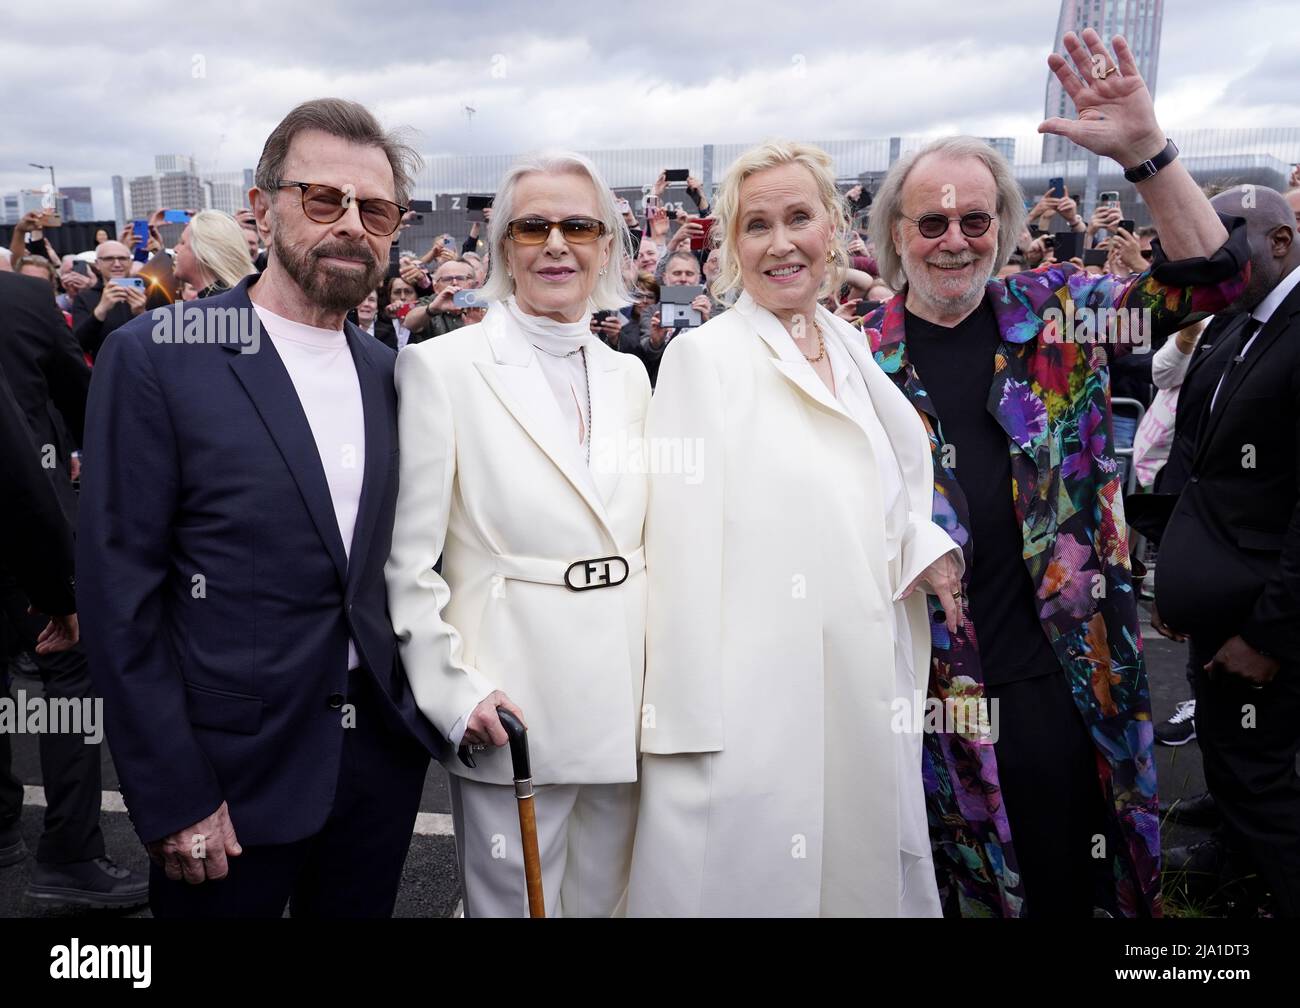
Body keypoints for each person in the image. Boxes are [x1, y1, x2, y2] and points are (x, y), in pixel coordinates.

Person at [858, 29, 1249, 918]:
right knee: (949, 888)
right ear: (894, 235)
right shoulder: (852, 357)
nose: (954, 240)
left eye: (975, 220)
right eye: (931, 222)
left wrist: (1147, 151)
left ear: (1003, 226)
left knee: (1071, 877)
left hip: (1062, 670)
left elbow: (1211, 281)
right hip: (922, 679)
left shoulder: (1061, 316)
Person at [78, 97, 442, 918]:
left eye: (375, 209)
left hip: (377, 772)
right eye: (323, 199)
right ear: (261, 207)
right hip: (225, 782)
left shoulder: (394, 373)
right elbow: (117, 595)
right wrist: (171, 795)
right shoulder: (158, 357)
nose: (351, 224)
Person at [628, 140, 963, 917]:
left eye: (799, 218)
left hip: (862, 676)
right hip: (759, 704)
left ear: (833, 228)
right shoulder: (703, 360)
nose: (780, 243)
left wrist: (927, 547)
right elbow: (678, 549)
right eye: (757, 225)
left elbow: (875, 492)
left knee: (859, 877)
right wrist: (685, 731)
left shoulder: (847, 342)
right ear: (732, 246)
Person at [386, 150, 648, 918]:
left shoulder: (630, 374)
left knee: (611, 904)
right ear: (503, 245)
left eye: (578, 225)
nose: (557, 244)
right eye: (534, 226)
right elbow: (409, 557)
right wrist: (451, 688)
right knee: (513, 911)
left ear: (605, 245)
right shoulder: (444, 369)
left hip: (625, 696)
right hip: (512, 701)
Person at [1155, 185, 1300, 917]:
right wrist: (1176, 574)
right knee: (1227, 751)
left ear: (1278, 241)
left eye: (1225, 234)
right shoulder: (1230, 322)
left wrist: (1269, 635)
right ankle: (1234, 866)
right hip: (1217, 601)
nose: (1205, 250)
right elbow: (1196, 458)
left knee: (1261, 776)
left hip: (1266, 621)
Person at [0, 270, 142, 906]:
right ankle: (71, 853)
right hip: (24, 530)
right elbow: (73, 406)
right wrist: (60, 594)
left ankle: (6, 821)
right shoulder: (19, 298)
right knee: (69, 668)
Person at [70, 240, 146, 360]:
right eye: (109, 259)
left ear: (130, 262)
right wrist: (100, 311)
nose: (117, 264)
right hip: (106, 370)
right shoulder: (84, 298)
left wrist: (142, 314)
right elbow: (78, 344)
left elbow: (163, 338)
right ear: (97, 264)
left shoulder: (148, 293)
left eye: (122, 258)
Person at [172, 209, 256, 298]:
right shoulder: (238, 297)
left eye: (182, 242)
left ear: (203, 252)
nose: (175, 249)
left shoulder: (222, 306)